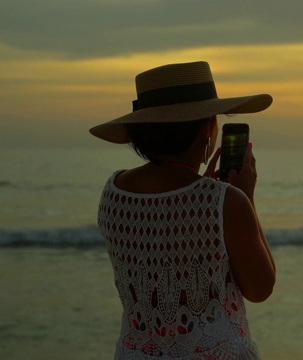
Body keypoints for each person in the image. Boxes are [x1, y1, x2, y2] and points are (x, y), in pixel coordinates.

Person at [89, 61, 276, 359]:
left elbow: (162, 237)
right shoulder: (227, 201)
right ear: (206, 128)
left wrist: (207, 193)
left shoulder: (113, 193)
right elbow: (260, 288)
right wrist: (245, 196)